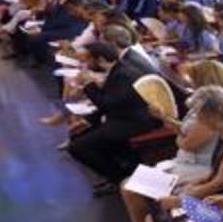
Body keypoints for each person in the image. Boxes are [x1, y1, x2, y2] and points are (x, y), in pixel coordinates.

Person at [114, 85, 223, 222]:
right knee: (127, 185)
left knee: (130, 186)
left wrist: (180, 137)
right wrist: (168, 122)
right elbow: (182, 134)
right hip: (183, 165)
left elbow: (187, 144)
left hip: (195, 170)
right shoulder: (205, 112)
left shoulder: (212, 121)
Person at [66, 38, 161, 195]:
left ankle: (119, 178)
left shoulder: (123, 74)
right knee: (78, 138)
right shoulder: (118, 70)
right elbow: (110, 102)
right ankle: (119, 175)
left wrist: (88, 85)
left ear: (101, 60)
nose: (86, 64)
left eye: (88, 59)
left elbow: (107, 103)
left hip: (135, 121)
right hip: (122, 117)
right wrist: (88, 121)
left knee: (78, 147)